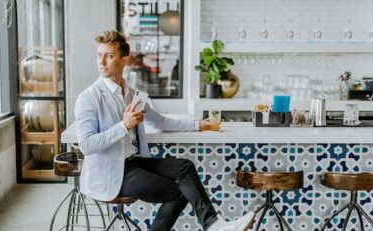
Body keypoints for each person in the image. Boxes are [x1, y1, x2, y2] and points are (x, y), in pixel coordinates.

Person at [74, 30, 255, 231]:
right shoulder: (88, 98)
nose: (102, 61)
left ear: (125, 59)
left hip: (134, 162)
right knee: (180, 192)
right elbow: (86, 145)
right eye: (99, 55)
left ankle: (213, 224)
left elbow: (160, 122)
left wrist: (198, 125)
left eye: (109, 55)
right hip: (112, 173)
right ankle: (213, 225)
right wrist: (123, 126)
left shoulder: (132, 94)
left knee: (184, 167)